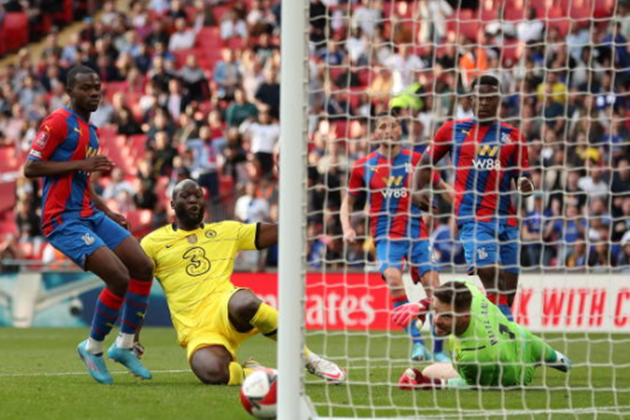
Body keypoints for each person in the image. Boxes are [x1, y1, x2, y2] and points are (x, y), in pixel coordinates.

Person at [140, 179, 346, 385]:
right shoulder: (152, 243)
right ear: (173, 204)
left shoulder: (227, 230)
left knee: (245, 302)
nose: (194, 200)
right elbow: (138, 287)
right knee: (214, 374)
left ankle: (309, 359)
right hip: (197, 331)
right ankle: (266, 375)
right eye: (186, 197)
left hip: (225, 307)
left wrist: (292, 186)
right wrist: (132, 337)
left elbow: (279, 231)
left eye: (198, 196)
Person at [23, 66, 154, 385]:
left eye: (97, 87)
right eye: (86, 88)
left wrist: (107, 211)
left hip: (89, 215)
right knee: (119, 277)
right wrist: (81, 163)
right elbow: (30, 167)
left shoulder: (90, 130)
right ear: (71, 90)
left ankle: (123, 346)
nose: (94, 93)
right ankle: (92, 348)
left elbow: (82, 181)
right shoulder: (57, 122)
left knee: (142, 266)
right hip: (63, 219)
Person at [415, 75, 533, 320]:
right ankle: (507, 331)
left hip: (506, 220)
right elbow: (425, 162)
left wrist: (525, 184)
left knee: (507, 291)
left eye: (490, 97)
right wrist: (418, 190)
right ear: (470, 99)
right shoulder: (452, 130)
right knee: (490, 274)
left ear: (498, 100)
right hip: (473, 218)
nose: (484, 102)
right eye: (479, 97)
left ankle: (497, 330)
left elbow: (524, 175)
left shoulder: (513, 136)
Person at [340, 113, 453, 362]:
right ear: (376, 133)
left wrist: (463, 207)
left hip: (417, 235)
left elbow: (444, 188)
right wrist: (347, 227)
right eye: (382, 126)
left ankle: (439, 351)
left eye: (393, 125)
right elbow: (346, 204)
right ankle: (417, 344)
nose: (388, 130)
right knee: (392, 277)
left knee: (435, 288)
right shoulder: (364, 166)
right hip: (386, 237)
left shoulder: (417, 161)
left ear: (400, 131)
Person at [395, 280, 571, 389]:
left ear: (464, 317)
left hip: (517, 374)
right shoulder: (472, 297)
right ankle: (557, 358)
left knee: (429, 372)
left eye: (446, 316)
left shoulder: (475, 354)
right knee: (565, 363)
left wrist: (427, 383)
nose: (436, 321)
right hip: (527, 339)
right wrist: (423, 305)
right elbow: (459, 285)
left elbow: (474, 386)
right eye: (436, 312)